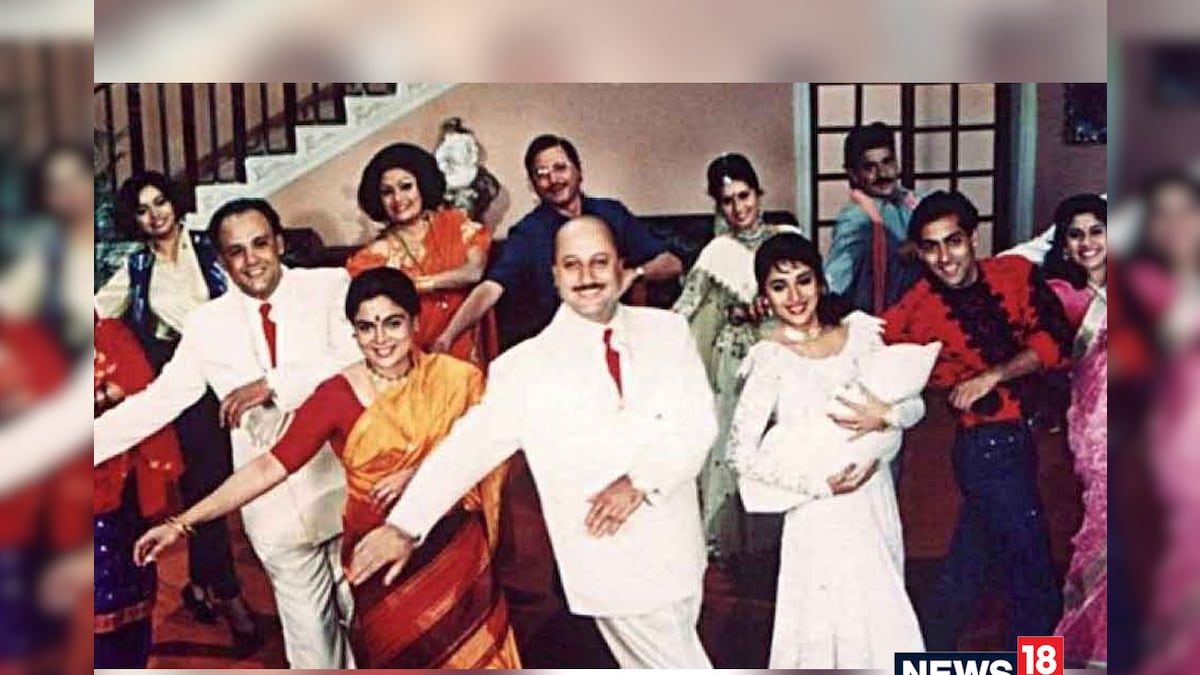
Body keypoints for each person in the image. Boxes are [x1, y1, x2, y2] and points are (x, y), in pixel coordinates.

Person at [348, 215, 717, 669]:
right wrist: (404, 525)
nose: (587, 276)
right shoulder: (525, 368)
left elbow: (697, 423)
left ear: (621, 267)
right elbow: (469, 448)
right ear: (555, 275)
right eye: (572, 265)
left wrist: (640, 482)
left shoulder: (668, 332)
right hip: (609, 556)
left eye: (599, 262)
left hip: (678, 546)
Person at [133, 267, 520, 668]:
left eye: (393, 323)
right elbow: (268, 468)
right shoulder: (336, 395)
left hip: (455, 548)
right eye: (367, 327)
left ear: (415, 323)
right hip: (377, 557)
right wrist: (181, 523)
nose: (381, 338)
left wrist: (417, 473)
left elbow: (485, 454)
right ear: (354, 333)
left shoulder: (458, 380)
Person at [94, 198, 361, 668]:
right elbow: (160, 400)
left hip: (346, 490)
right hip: (271, 506)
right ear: (221, 260)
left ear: (280, 244)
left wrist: (273, 384)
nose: (251, 260)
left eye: (260, 244)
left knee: (371, 628)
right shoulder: (206, 324)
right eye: (236, 251)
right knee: (310, 647)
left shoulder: (330, 287)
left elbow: (360, 356)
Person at [881, 190, 1073, 650]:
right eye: (931, 247)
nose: (945, 258)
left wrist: (993, 375)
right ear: (919, 252)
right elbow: (867, 341)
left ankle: (929, 655)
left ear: (973, 238)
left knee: (970, 565)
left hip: (1026, 438)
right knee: (1032, 569)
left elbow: (1056, 340)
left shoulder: (1015, 274)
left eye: (953, 241)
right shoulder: (916, 306)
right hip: (987, 445)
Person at [729, 232, 926, 668]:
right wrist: (819, 486)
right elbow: (740, 453)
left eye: (803, 280)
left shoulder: (860, 335)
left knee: (882, 613)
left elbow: (914, 406)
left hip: (872, 498)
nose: (795, 296)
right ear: (764, 297)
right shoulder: (769, 358)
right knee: (826, 623)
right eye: (779, 287)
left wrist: (886, 416)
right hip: (818, 512)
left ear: (820, 281)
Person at [93, 171, 257, 644]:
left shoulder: (210, 247)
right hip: (183, 392)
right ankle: (229, 595)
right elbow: (95, 314)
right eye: (143, 210)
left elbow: (250, 294)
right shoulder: (138, 268)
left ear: (175, 202)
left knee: (237, 486)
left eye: (160, 202)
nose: (155, 215)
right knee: (205, 490)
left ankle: (203, 585)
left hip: (235, 377)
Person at [430, 133, 683, 351]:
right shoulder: (527, 233)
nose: (553, 180)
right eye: (542, 174)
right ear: (534, 185)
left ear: (579, 171)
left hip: (620, 335)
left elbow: (672, 264)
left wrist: (635, 274)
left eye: (560, 168)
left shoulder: (612, 213)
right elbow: (491, 288)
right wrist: (448, 336)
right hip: (563, 345)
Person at [672, 153, 798, 563]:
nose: (739, 208)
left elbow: (817, 289)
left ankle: (783, 533)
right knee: (737, 441)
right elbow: (686, 308)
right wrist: (737, 312)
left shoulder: (786, 237)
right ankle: (734, 542)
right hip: (736, 358)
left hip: (785, 348)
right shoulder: (717, 253)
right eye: (728, 201)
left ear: (759, 194)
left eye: (744, 196)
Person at [345, 143, 497, 365]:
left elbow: (473, 272)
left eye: (406, 187)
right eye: (387, 192)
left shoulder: (455, 224)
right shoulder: (371, 259)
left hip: (467, 354)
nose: (398, 199)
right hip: (412, 362)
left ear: (422, 186)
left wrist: (417, 284)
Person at [93, 317, 185, 668]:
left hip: (121, 492)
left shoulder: (110, 334)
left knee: (129, 597)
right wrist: (106, 395)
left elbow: (142, 386)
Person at [1040, 194, 1108, 668]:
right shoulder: (1061, 295)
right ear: (1064, 244)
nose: (1087, 243)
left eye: (1097, 231)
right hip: (1094, 435)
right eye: (1075, 234)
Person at [824, 121, 923, 315]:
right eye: (869, 167)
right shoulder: (856, 218)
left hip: (919, 311)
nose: (882, 173)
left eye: (887, 162)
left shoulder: (912, 202)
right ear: (853, 175)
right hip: (878, 318)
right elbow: (834, 281)